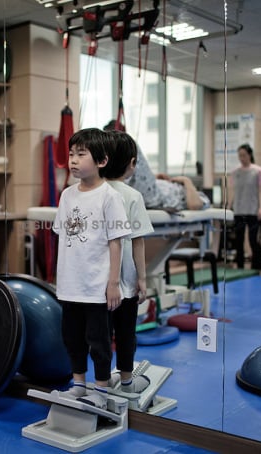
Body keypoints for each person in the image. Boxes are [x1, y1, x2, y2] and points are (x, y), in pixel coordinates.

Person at [52, 128, 132, 409]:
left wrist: (113, 283)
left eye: (81, 154)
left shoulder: (109, 197)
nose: (73, 160)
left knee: (98, 341)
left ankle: (100, 389)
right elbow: (62, 236)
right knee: (72, 338)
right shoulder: (66, 195)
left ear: (101, 161)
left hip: (97, 286)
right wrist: (58, 278)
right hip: (70, 285)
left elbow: (116, 242)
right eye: (71, 154)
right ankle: (79, 384)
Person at [103, 130, 154, 394]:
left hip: (95, 281)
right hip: (123, 282)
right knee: (125, 334)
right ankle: (125, 381)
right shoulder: (132, 196)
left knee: (99, 335)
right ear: (132, 164)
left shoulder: (91, 191)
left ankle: (100, 382)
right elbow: (138, 241)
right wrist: (142, 279)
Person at [103, 120, 209, 212]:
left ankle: (110, 141)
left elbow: (195, 206)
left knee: (131, 147)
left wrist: (187, 181)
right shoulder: (178, 188)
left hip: (154, 196)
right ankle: (110, 142)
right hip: (151, 187)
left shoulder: (200, 197)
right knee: (124, 157)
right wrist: (156, 178)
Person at [227, 144, 261, 269]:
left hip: (252, 210)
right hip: (239, 210)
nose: (242, 158)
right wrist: (229, 206)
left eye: (244, 155)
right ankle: (239, 265)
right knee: (238, 240)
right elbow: (232, 190)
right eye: (240, 155)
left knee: (252, 239)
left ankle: (256, 265)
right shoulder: (235, 172)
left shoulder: (258, 171)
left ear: (249, 155)